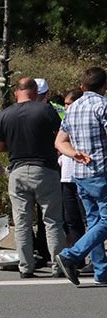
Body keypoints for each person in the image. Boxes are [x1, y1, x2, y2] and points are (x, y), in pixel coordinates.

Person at [0, 77, 65, 278]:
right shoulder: (46, 110)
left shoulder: (5, 114)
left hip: (17, 170)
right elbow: (61, 136)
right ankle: (58, 266)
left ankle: (26, 267)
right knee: (52, 221)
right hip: (45, 169)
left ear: (16, 92)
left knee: (22, 223)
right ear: (35, 92)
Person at [54, 67, 107, 286]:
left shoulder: (73, 108)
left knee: (94, 221)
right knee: (104, 221)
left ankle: (101, 272)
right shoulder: (103, 106)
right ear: (105, 85)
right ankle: (71, 255)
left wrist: (73, 153)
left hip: (80, 173)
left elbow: (59, 141)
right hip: (102, 171)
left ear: (83, 86)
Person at [60, 88, 87, 246]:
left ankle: (94, 254)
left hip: (83, 175)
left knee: (89, 218)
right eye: (65, 104)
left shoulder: (84, 121)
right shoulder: (65, 121)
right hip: (66, 176)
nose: (66, 108)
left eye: (69, 104)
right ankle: (78, 254)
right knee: (71, 219)